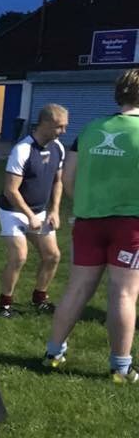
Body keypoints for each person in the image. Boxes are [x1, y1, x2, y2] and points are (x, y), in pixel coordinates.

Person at [44, 69, 139, 383]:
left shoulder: (89, 130)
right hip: (131, 225)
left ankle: (53, 353)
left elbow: (67, 177)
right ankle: (121, 369)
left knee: (77, 287)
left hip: (88, 221)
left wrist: (87, 203)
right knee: (123, 293)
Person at [0, 104, 68, 318]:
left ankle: (40, 298)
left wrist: (54, 210)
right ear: (45, 124)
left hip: (40, 212)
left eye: (65, 126)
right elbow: (10, 190)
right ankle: (5, 306)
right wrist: (28, 216)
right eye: (59, 127)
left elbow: (58, 181)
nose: (63, 131)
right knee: (19, 257)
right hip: (13, 212)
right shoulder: (23, 149)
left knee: (52, 256)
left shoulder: (58, 148)